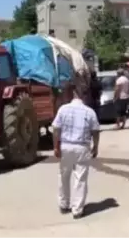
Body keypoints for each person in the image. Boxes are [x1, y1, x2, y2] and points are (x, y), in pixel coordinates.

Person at [52, 83, 100, 219]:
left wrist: (56, 146)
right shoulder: (90, 112)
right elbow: (96, 131)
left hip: (66, 146)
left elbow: (56, 129)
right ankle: (77, 210)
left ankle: (63, 204)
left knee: (63, 175)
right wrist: (95, 147)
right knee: (80, 178)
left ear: (74, 94)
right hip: (82, 147)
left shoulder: (63, 109)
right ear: (85, 95)